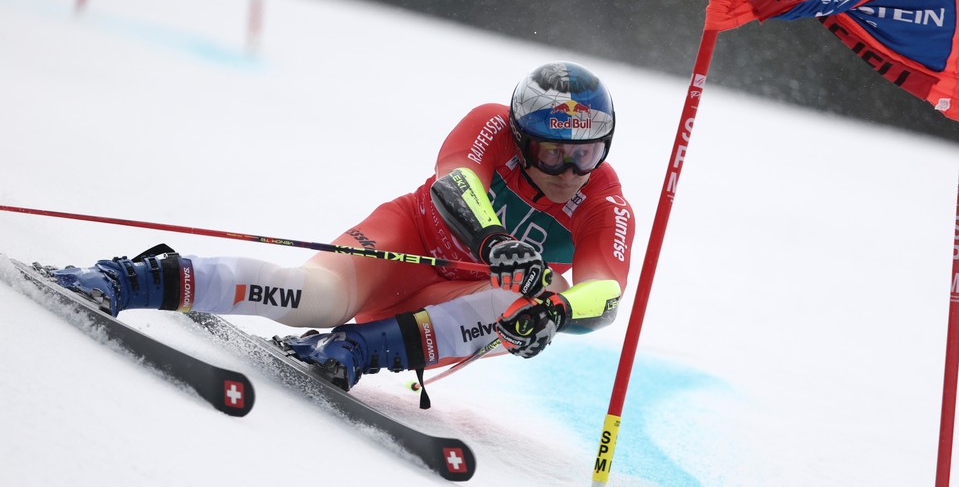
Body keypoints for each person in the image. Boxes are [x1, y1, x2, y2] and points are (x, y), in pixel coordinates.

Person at [53, 61, 636, 393]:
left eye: (585, 155)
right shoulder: (490, 124)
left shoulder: (605, 204)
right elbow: (453, 181)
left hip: (450, 309)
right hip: (407, 241)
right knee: (315, 296)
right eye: (551, 152)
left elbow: (603, 293)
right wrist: (493, 239)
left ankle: (353, 351)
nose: (568, 171)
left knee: (532, 303)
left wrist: (556, 314)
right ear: (519, 134)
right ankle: (133, 279)